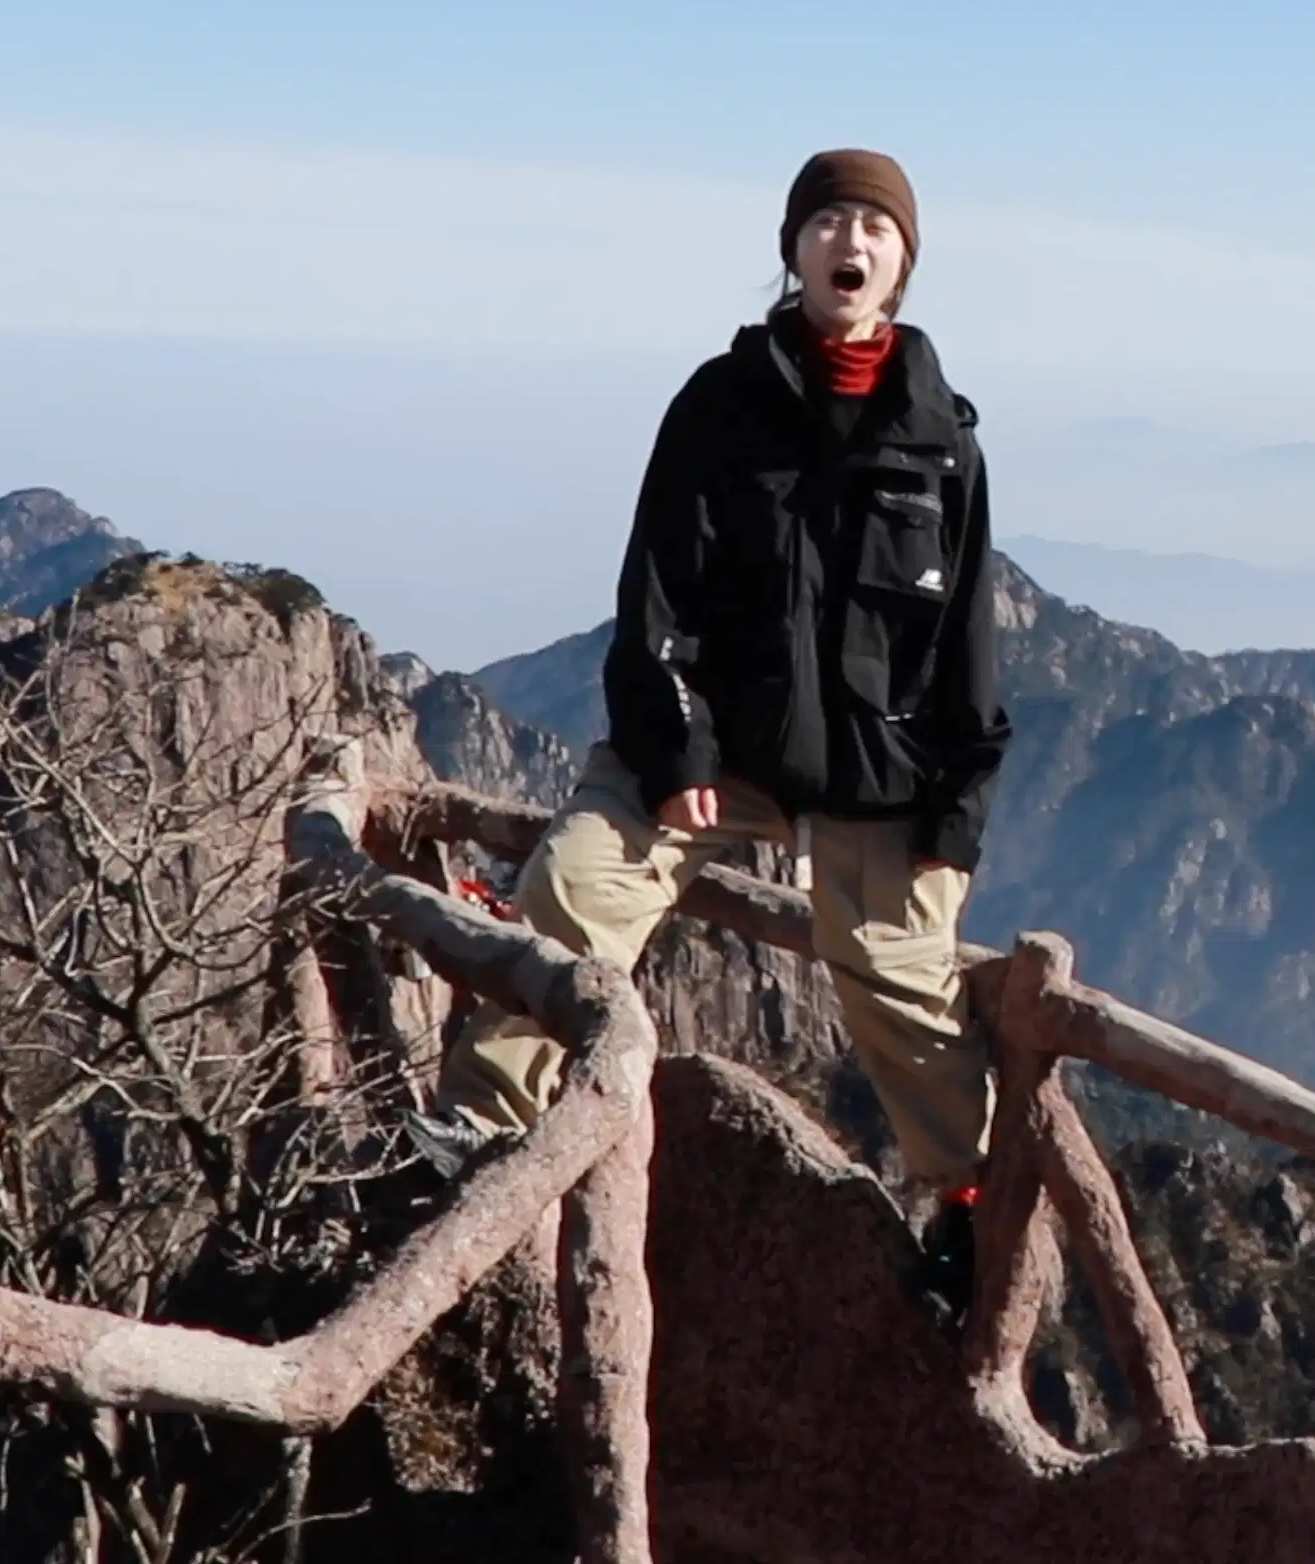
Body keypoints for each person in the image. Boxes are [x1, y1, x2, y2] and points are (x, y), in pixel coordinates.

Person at [420, 146, 1011, 1316]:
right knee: (573, 891)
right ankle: (477, 1137)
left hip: (876, 768)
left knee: (903, 982)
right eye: (828, 222)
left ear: (902, 264)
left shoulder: (941, 441)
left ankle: (968, 1213)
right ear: (792, 250)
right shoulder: (718, 405)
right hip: (719, 742)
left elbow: (966, 649)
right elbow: (655, 600)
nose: (850, 242)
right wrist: (675, 748)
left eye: (875, 228)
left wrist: (956, 812)